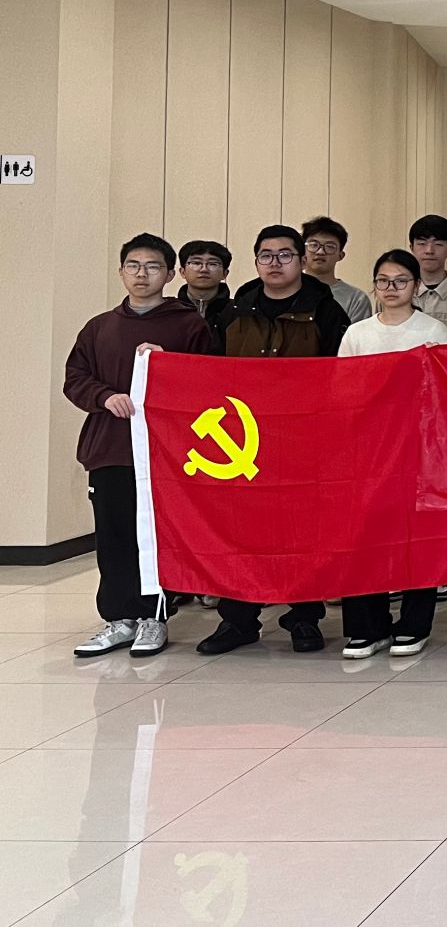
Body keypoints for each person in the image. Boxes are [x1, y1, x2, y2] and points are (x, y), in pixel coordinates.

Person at [196, 225, 353, 655]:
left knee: (302, 530)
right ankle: (238, 618)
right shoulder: (233, 310)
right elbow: (208, 370)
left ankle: (303, 617)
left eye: (285, 255)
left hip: (305, 438)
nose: (275, 263)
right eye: (266, 255)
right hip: (243, 439)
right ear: (255, 261)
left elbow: (342, 374)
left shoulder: (326, 311)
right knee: (240, 531)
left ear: (301, 260)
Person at [65, 234, 214, 659]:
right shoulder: (99, 327)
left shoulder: (188, 325)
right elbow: (75, 378)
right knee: (113, 536)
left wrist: (168, 364)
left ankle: (154, 616)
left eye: (152, 266)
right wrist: (103, 396)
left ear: (169, 275)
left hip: (165, 454)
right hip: (111, 448)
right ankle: (119, 617)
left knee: (154, 536)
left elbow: (208, 381)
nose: (142, 274)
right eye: (133, 265)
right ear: (121, 272)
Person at [335, 249, 447, 657]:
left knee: (417, 538)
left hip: (417, 449)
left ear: (416, 286)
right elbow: (341, 390)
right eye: (383, 281)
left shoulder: (433, 330)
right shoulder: (357, 333)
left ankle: (415, 624)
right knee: (363, 536)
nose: (391, 288)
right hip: (366, 450)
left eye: (401, 281)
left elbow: (441, 390)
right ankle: (367, 626)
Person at [302, 215, 372, 323]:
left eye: (330, 246)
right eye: (314, 245)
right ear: (302, 250)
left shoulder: (356, 299)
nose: (320, 252)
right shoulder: (285, 290)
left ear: (341, 255)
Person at [175, 238, 236, 350]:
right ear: (183, 272)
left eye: (212, 264)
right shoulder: (171, 311)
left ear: (225, 273)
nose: (204, 269)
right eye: (196, 263)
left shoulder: (237, 311)